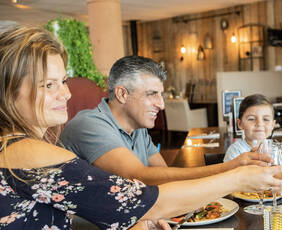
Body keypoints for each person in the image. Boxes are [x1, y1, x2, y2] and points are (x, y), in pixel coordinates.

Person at [0, 25, 282, 230]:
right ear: (9, 89)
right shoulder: (28, 153)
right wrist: (236, 175)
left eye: (63, 81)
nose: (66, 94)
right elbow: (147, 196)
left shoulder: (20, 147)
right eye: (49, 85)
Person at [61, 55, 266, 186]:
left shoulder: (138, 127)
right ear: (122, 94)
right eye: (152, 94)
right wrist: (231, 167)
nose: (161, 105)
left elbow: (163, 175)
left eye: (161, 94)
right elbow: (139, 175)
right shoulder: (89, 125)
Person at [223, 94, 275, 162]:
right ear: (240, 124)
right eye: (251, 119)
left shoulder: (275, 149)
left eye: (265, 119)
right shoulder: (235, 151)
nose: (259, 124)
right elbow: (230, 172)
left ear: (272, 125)